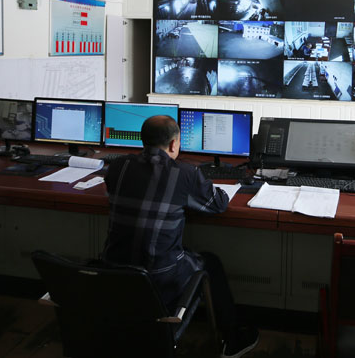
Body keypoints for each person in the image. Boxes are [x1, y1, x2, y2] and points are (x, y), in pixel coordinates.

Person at [101, 115, 259, 358]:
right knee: (210, 263)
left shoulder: (118, 166)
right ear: (174, 144)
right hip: (158, 279)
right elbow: (219, 203)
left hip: (113, 274)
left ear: (142, 140)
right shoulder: (185, 174)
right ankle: (232, 338)